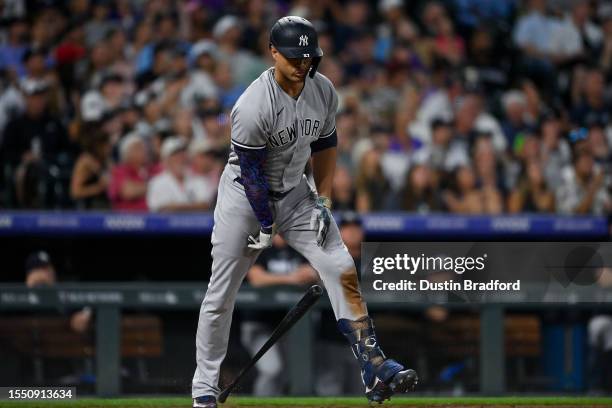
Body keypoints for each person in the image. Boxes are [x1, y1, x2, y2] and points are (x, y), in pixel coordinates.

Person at [192, 17, 417, 408]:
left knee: (340, 265)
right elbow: (253, 175)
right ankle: (204, 388)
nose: (302, 63)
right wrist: (265, 224)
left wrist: (325, 200)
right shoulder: (252, 104)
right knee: (221, 293)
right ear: (274, 53)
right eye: (294, 56)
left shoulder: (324, 89)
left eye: (309, 56)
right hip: (245, 197)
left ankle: (373, 365)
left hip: (298, 192)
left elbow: (326, 146)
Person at [240, 234, 319, 396]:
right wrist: (291, 278)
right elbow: (256, 278)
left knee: (288, 374)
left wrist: (312, 273)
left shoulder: (298, 249)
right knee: (272, 369)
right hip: (258, 323)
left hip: (287, 325)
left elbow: (312, 272)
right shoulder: (259, 246)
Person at [146, 137, 214, 212]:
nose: (181, 158)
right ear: (166, 159)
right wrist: (193, 206)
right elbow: (161, 209)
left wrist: (175, 206)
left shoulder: (198, 180)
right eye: (175, 155)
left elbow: (204, 205)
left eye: (183, 154)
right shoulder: (156, 182)